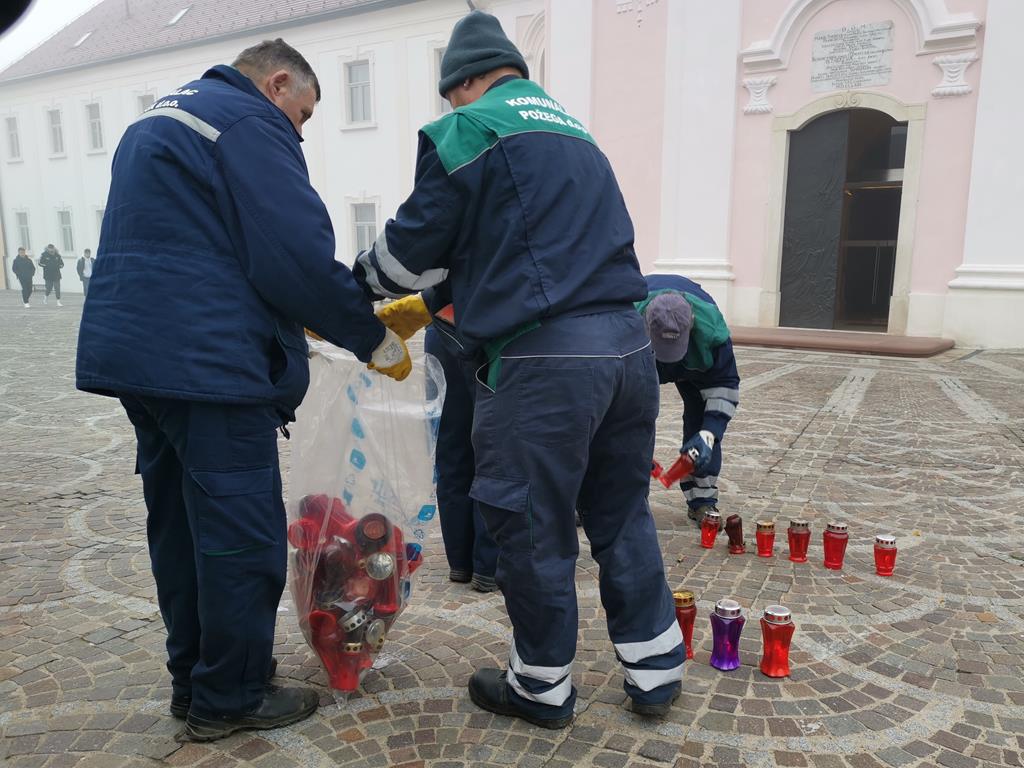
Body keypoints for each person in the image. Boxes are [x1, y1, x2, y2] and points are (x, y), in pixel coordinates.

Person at [356, 11, 684, 729]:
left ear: (463, 82)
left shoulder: (469, 131)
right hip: (626, 352)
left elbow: (411, 254)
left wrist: (361, 284)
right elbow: (501, 254)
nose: (451, 109)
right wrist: (425, 310)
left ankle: (540, 687)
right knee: (621, 512)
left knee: (531, 526)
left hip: (543, 363)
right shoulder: (574, 131)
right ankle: (656, 671)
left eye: (452, 97)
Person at [76, 38, 410, 743]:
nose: (300, 129)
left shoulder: (160, 121)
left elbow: (197, 245)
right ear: (278, 82)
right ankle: (229, 695)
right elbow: (290, 252)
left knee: (181, 529)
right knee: (239, 538)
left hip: (142, 359)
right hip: (208, 366)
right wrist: (368, 335)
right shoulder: (247, 120)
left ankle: (192, 677)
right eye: (304, 113)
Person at [391, 285, 499, 593]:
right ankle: (487, 564)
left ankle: (461, 561)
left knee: (452, 448)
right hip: (487, 325)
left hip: (440, 324)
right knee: (490, 447)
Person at [639, 275, 740, 525]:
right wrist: (629, 444)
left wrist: (709, 433)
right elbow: (614, 399)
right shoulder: (623, 323)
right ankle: (623, 498)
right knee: (635, 423)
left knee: (701, 427)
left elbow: (724, 387)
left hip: (696, 365)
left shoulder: (713, 334)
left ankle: (702, 500)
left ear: (692, 325)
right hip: (643, 362)